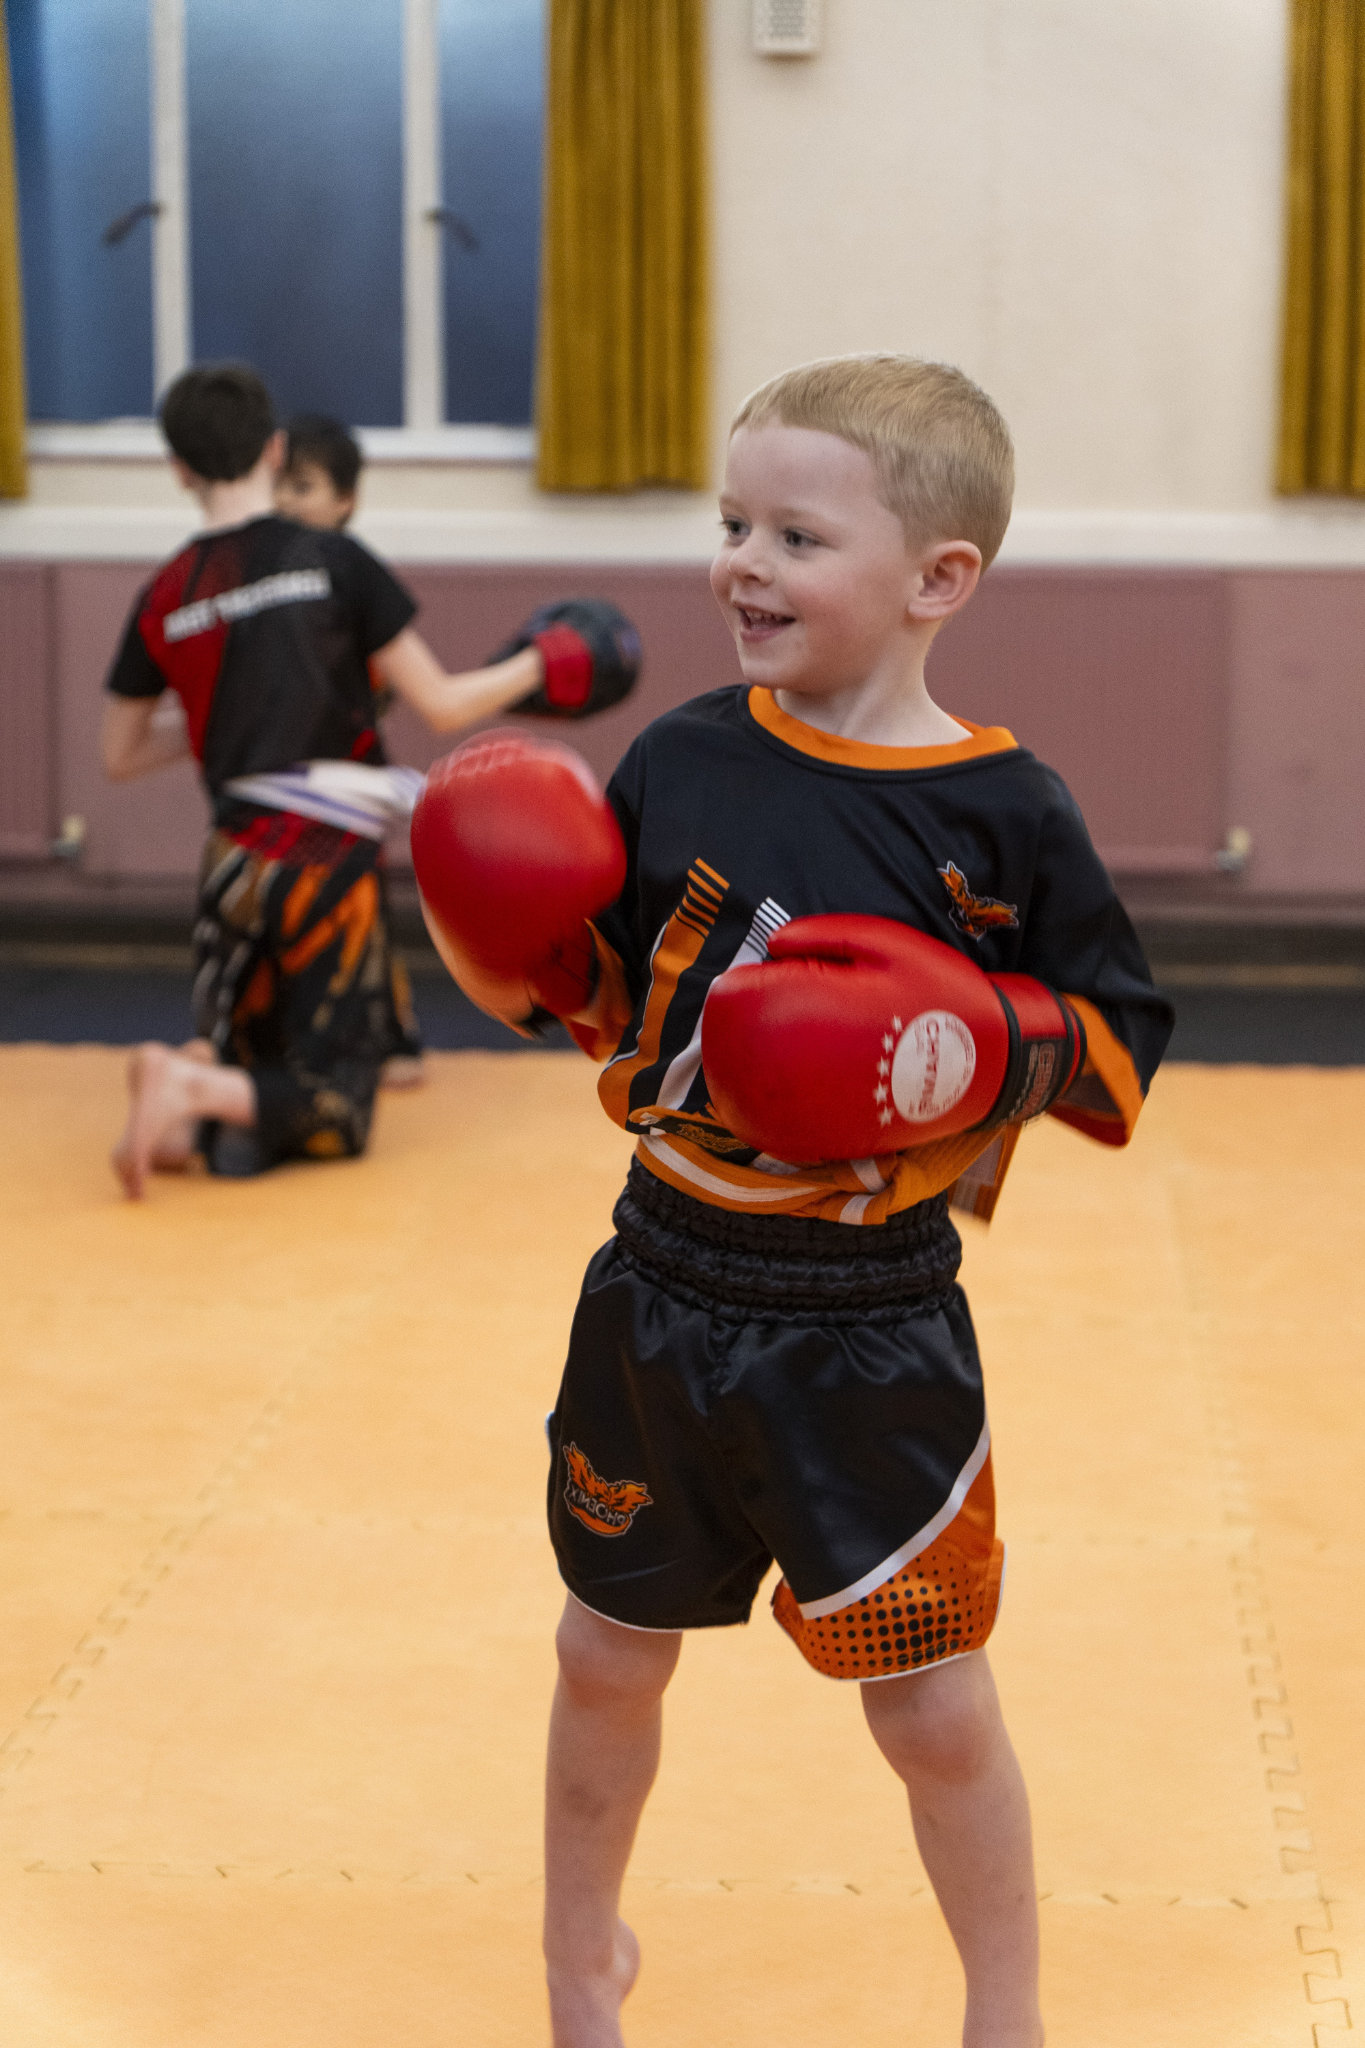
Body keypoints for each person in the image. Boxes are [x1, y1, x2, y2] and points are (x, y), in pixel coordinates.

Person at [413, 353, 1175, 2047]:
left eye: (796, 533)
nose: (742, 560)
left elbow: (1121, 1053)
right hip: (661, 1280)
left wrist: (974, 1037)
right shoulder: (680, 757)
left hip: (874, 1317)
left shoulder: (1006, 812)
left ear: (936, 580)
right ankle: (577, 1964)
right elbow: (600, 1004)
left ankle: (1007, 2007)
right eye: (732, 520)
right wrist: (501, 945)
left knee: (932, 1704)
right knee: (605, 1653)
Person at [101, 360, 637, 1200]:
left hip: (229, 860)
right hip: (318, 860)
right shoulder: (335, 558)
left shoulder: (163, 593)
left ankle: (194, 1079)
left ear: (176, 468)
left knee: (255, 1078)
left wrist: (219, 712)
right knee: (336, 1112)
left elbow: (121, 755)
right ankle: (192, 1086)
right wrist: (546, 659)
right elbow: (442, 702)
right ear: (274, 452)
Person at [275, 411, 426, 1088]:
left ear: (344, 501)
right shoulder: (263, 573)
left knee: (358, 907)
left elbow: (394, 679)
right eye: (277, 485)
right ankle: (284, 1038)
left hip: (349, 773)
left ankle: (392, 1037)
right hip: (278, 775)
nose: (284, 502)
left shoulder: (354, 575)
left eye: (301, 487)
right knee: (282, 908)